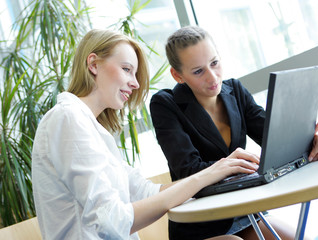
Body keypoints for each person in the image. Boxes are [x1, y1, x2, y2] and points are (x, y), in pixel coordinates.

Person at [31, 29, 248, 240]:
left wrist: (221, 174)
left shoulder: (92, 129)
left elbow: (147, 192)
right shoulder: (68, 118)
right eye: (126, 69)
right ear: (93, 64)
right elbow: (112, 221)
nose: (135, 83)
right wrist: (209, 174)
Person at [149, 25, 318, 240]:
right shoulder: (165, 104)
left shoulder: (235, 91)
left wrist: (313, 141)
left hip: (245, 212)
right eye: (198, 71)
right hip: (202, 223)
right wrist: (230, 166)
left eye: (215, 63)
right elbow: (188, 171)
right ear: (177, 75)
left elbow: (276, 138)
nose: (212, 77)